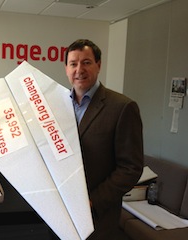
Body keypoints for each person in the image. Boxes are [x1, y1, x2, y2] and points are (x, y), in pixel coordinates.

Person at [64, 39, 144, 239]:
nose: (79, 69)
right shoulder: (56, 105)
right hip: (61, 214)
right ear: (66, 68)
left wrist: (92, 202)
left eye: (87, 62)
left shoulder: (122, 107)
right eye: (73, 63)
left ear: (99, 65)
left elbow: (130, 168)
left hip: (98, 219)